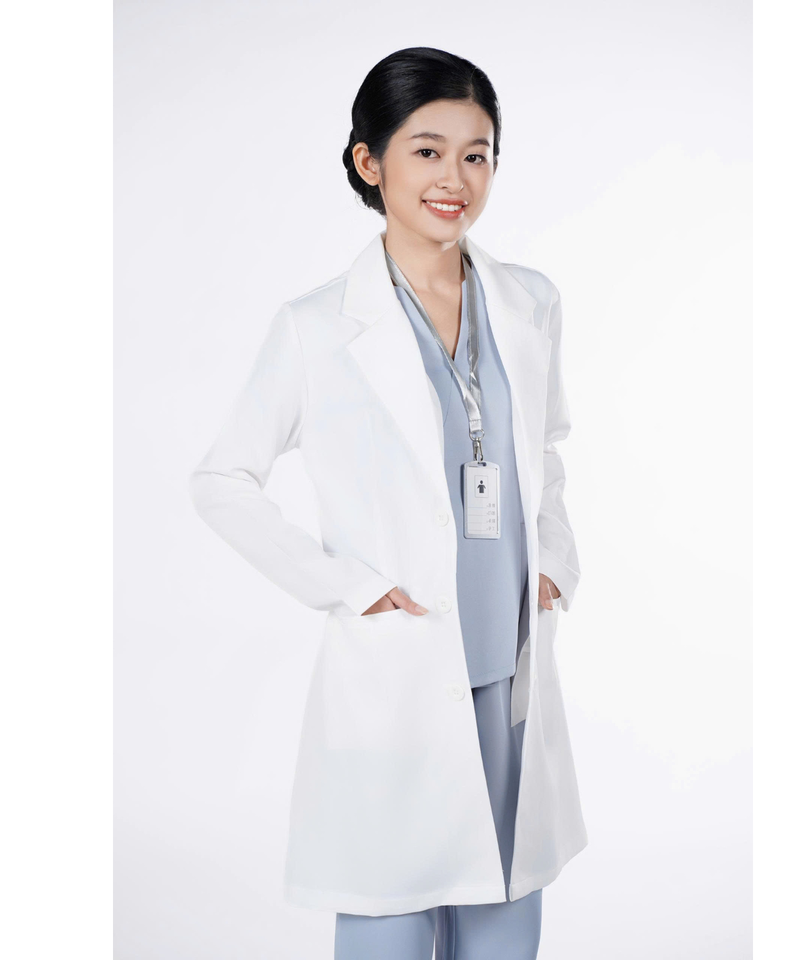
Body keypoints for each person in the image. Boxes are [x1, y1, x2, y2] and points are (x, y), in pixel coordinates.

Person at [190, 46, 584, 960]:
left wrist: (555, 563)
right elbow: (221, 480)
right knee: (389, 926)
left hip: (508, 674)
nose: (455, 179)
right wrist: (349, 588)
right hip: (401, 673)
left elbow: (547, 450)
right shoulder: (316, 327)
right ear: (370, 162)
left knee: (504, 927)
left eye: (477, 155)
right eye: (427, 151)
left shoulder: (530, 302)